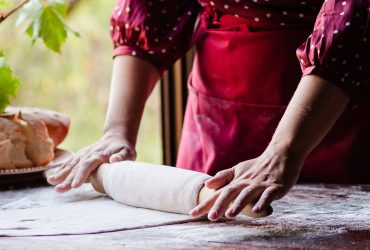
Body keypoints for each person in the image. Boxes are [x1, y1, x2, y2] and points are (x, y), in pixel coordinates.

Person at [48, 0, 370, 221]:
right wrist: (116, 131)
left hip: (329, 118)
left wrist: (285, 150)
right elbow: (152, 8)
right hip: (212, 131)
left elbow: (354, 20)